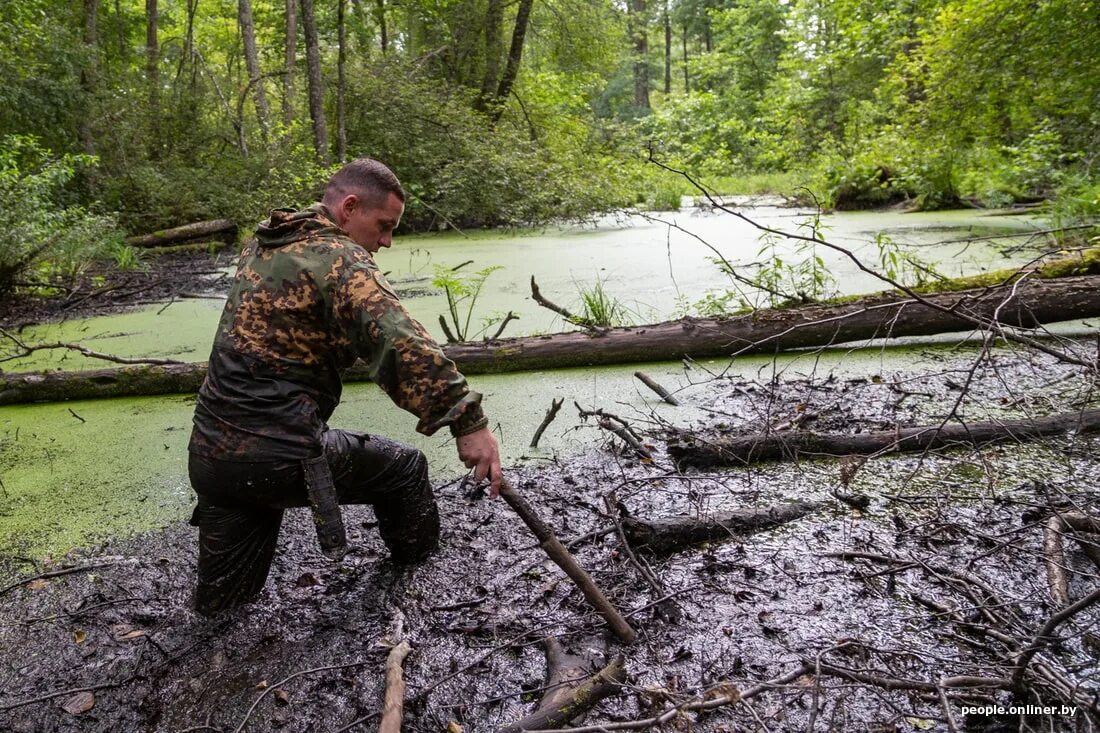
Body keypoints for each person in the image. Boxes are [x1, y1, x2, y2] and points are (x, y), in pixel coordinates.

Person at [187, 158, 501, 616]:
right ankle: (422, 594)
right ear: (350, 207)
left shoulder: (265, 243)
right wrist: (467, 420)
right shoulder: (340, 260)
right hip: (281, 455)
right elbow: (400, 343)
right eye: (384, 226)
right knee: (405, 470)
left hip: (212, 458)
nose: (387, 241)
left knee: (222, 613)